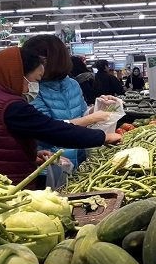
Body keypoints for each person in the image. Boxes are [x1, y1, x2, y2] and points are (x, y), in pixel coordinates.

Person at [0, 46, 122, 187]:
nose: (33, 87)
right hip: (2, 183)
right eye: (35, 80)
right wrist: (103, 137)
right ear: (17, 74)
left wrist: (30, 155)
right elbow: (53, 130)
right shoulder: (9, 105)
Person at [23, 34, 113, 168]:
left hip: (79, 158)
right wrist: (91, 119)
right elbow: (46, 130)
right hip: (49, 164)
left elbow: (82, 113)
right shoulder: (32, 88)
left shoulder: (72, 84)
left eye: (37, 59)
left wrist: (97, 108)